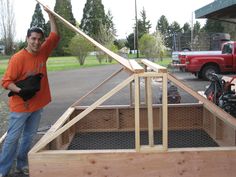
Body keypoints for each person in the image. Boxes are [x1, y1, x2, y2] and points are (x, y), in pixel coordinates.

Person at [0, 8, 60, 177]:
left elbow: (54, 35)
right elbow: (5, 82)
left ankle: (21, 165)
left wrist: (51, 16)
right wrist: (21, 90)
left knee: (28, 138)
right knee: (12, 139)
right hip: (20, 106)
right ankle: (3, 171)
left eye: (39, 39)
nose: (36, 42)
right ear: (27, 39)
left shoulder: (43, 52)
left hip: (37, 105)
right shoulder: (18, 58)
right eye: (33, 38)